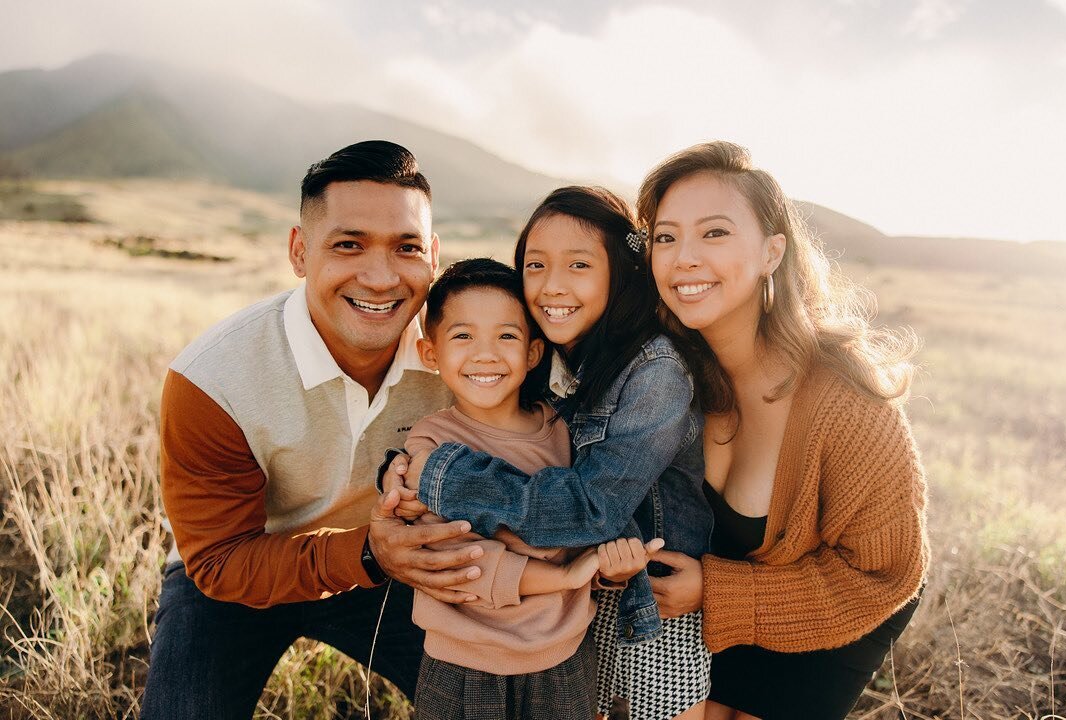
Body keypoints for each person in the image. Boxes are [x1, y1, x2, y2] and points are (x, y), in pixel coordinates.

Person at [141, 140, 486, 719]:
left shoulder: (468, 357)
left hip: (392, 569)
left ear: (433, 255)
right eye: (348, 245)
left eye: (406, 249)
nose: (380, 278)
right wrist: (368, 553)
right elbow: (220, 561)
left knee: (488, 701)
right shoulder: (212, 379)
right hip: (240, 575)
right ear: (300, 251)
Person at [388, 187, 714, 720]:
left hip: (650, 602)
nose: (552, 285)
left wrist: (443, 478)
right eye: (535, 265)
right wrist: (398, 470)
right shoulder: (554, 357)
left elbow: (591, 509)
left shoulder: (655, 372)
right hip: (577, 600)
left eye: (580, 264)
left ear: (621, 273)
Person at [639, 141, 929, 720]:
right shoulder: (668, 375)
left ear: (773, 251)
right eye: (666, 237)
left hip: (837, 611)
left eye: (714, 233)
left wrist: (718, 593)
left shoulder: (845, 401)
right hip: (718, 604)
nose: (683, 258)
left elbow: (886, 573)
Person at [400, 257, 661, 720]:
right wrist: (564, 577)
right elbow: (458, 562)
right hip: (462, 661)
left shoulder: (564, 430)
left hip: (563, 659)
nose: (485, 354)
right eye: (463, 336)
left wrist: (610, 568)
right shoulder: (430, 448)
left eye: (506, 335)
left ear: (533, 353)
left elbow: (587, 528)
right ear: (430, 353)